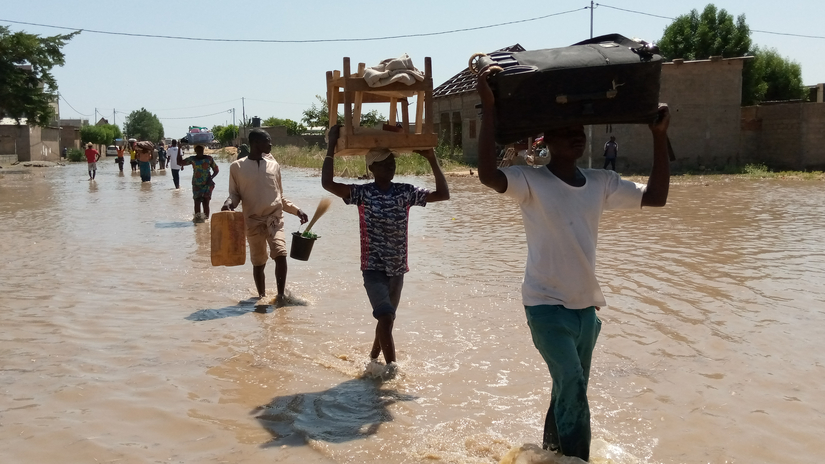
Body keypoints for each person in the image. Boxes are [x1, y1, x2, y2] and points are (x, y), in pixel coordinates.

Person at [475, 67, 671, 462]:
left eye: (579, 129)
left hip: (585, 311)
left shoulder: (601, 182)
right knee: (573, 382)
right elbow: (487, 175)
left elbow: (656, 198)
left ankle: (551, 453)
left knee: (568, 387)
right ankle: (577, 459)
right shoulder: (530, 181)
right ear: (547, 141)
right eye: (566, 130)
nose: (576, 134)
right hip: (545, 306)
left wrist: (659, 135)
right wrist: (490, 111)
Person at [321, 125, 450, 373]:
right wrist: (331, 145)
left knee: (387, 319)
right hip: (373, 268)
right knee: (386, 316)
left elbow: (443, 194)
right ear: (372, 168)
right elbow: (328, 184)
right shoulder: (362, 193)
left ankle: (371, 360)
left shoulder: (405, 191)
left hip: (397, 268)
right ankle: (392, 371)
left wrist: (432, 160)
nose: (391, 167)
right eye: (384, 163)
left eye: (392, 163)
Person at [221, 129, 308, 303]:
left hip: (274, 219)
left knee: (281, 254)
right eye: (267, 141)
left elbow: (279, 196)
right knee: (258, 262)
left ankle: (281, 296)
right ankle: (261, 298)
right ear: (255, 144)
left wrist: (297, 210)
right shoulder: (237, 167)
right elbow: (235, 194)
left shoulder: (274, 166)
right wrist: (228, 204)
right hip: (252, 222)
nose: (271, 144)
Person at [178, 143, 219, 220]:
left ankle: (206, 221)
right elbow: (179, 162)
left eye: (201, 150)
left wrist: (211, 178)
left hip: (207, 184)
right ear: (195, 151)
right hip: (196, 185)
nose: (200, 151)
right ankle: (197, 222)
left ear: (203, 150)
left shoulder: (208, 159)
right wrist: (179, 149)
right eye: (198, 150)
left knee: (206, 203)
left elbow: (216, 170)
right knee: (197, 203)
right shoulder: (192, 159)